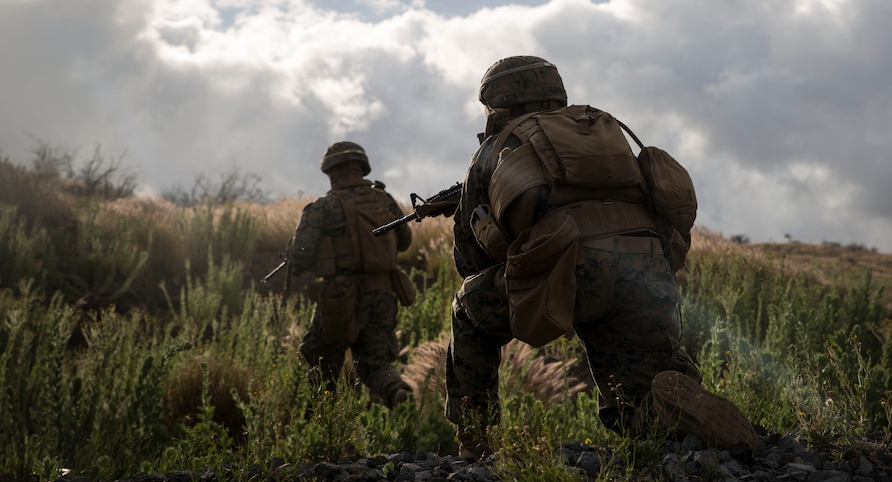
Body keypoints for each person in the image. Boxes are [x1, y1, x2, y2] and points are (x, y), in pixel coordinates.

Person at [445, 55, 757, 457]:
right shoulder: (603, 133)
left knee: (467, 306)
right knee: (632, 409)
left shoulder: (496, 149)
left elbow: (471, 264)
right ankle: (683, 418)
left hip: (569, 273)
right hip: (647, 270)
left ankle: (474, 438)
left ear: (498, 105)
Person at [289, 141, 416, 408]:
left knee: (320, 357)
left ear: (332, 172)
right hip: (383, 293)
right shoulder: (385, 200)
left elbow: (300, 255)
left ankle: (324, 426)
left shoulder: (323, 207)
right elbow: (404, 241)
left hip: (339, 297)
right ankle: (395, 390)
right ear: (362, 168)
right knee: (375, 362)